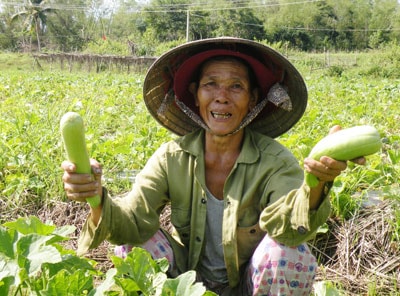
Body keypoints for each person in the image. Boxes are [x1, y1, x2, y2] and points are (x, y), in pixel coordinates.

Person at [62, 37, 364, 295]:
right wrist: (97, 197)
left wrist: (317, 183)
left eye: (236, 87)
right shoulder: (171, 157)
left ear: (253, 99)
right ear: (195, 94)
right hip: (185, 284)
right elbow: (132, 219)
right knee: (131, 247)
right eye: (211, 84)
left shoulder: (274, 161)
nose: (221, 97)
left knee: (287, 256)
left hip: (248, 285)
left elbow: (289, 230)